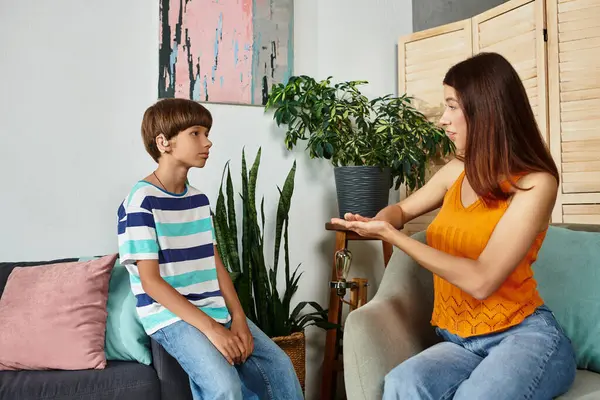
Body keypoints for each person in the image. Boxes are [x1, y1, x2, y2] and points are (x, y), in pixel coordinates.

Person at [332, 52, 577, 400]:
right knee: (402, 385)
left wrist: (394, 239)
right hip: (460, 341)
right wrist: (377, 221)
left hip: (526, 337)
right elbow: (400, 210)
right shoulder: (455, 172)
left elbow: (481, 280)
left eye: (452, 106)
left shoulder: (535, 184)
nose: (443, 120)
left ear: (485, 111)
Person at [117, 98, 303, 400]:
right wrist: (213, 329)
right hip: (169, 316)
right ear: (164, 142)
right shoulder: (141, 201)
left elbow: (215, 265)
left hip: (214, 308)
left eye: (207, 133)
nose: (208, 141)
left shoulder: (199, 201)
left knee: (280, 366)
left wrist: (238, 318)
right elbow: (149, 282)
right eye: (196, 133)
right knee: (223, 387)